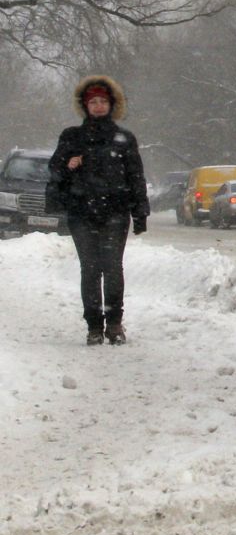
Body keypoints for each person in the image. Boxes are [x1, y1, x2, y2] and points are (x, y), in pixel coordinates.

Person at [47, 75, 148, 345]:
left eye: (103, 100)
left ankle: (114, 324)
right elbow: (54, 170)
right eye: (94, 101)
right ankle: (94, 326)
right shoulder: (72, 137)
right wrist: (68, 165)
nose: (99, 106)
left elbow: (136, 176)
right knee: (90, 270)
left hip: (115, 213)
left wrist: (140, 212)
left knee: (113, 268)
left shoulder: (124, 139)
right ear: (85, 105)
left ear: (112, 104)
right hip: (81, 213)